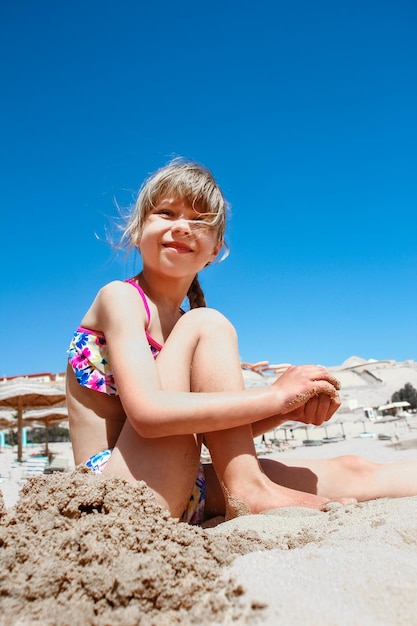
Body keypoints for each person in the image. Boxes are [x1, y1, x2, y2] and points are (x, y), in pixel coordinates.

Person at [66, 159, 417, 525]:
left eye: (199, 220)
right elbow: (149, 416)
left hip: (179, 484)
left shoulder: (185, 326)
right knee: (207, 321)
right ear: (137, 231)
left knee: (353, 469)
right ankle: (250, 489)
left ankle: (251, 486)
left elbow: (210, 432)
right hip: (114, 496)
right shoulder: (121, 299)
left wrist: (282, 411)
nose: (183, 226)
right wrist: (273, 396)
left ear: (216, 250)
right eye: (166, 213)